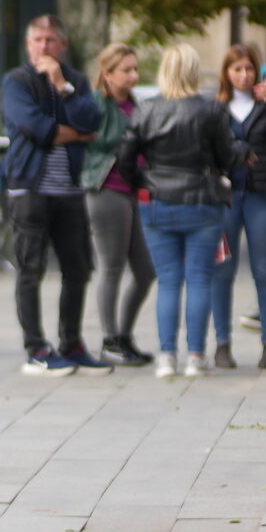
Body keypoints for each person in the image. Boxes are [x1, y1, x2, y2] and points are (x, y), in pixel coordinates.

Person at [0, 14, 109, 376]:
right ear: (28, 45)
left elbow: (92, 121)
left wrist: (62, 85)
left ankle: (72, 343)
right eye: (37, 40)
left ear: (62, 45)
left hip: (70, 191)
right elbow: (37, 129)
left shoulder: (75, 81)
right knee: (30, 270)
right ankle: (36, 348)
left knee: (77, 269)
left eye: (51, 40)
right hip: (29, 189)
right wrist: (76, 135)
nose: (44, 47)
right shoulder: (16, 82)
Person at [129, 43, 236, 380]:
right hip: (202, 202)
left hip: (157, 201)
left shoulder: (146, 110)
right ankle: (195, 356)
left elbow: (124, 156)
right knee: (200, 279)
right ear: (193, 72)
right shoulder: (210, 111)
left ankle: (166, 357)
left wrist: (143, 183)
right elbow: (227, 159)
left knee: (168, 281)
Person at [214, 43, 266, 371]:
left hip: (264, 193)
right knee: (222, 270)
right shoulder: (217, 107)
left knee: (265, 269)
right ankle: (222, 344)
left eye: (249, 69)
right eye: (237, 70)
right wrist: (238, 151)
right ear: (226, 74)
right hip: (227, 196)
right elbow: (210, 148)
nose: (244, 76)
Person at [82, 43, 154, 368]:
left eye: (135, 69)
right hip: (106, 190)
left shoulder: (137, 105)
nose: (133, 75)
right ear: (107, 74)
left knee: (146, 270)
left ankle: (123, 336)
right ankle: (109, 340)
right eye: (126, 70)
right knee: (111, 266)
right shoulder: (96, 105)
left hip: (133, 192)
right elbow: (91, 144)